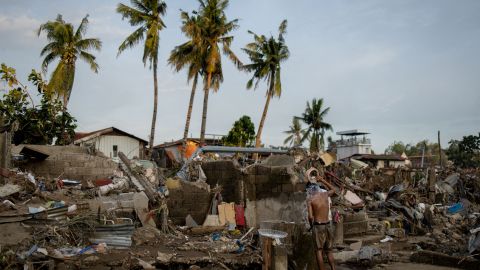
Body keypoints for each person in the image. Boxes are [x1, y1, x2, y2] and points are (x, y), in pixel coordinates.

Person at [307, 182, 336, 270]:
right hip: (328, 224)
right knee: (329, 251)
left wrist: (311, 225)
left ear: (310, 190)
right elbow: (334, 189)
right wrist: (322, 179)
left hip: (318, 226)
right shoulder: (325, 194)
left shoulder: (310, 200)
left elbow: (310, 217)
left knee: (319, 251)